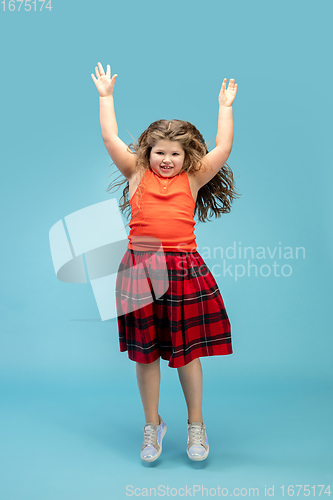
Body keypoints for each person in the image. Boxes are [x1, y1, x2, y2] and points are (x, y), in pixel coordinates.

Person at [91, 62, 239, 463]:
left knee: (187, 353)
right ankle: (152, 426)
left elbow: (222, 148)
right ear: (147, 153)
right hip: (140, 269)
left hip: (183, 269)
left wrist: (224, 108)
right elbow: (109, 136)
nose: (167, 159)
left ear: (188, 156)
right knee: (147, 353)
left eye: (175, 153)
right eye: (160, 153)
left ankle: (196, 425)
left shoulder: (193, 177)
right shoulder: (136, 172)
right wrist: (107, 98)